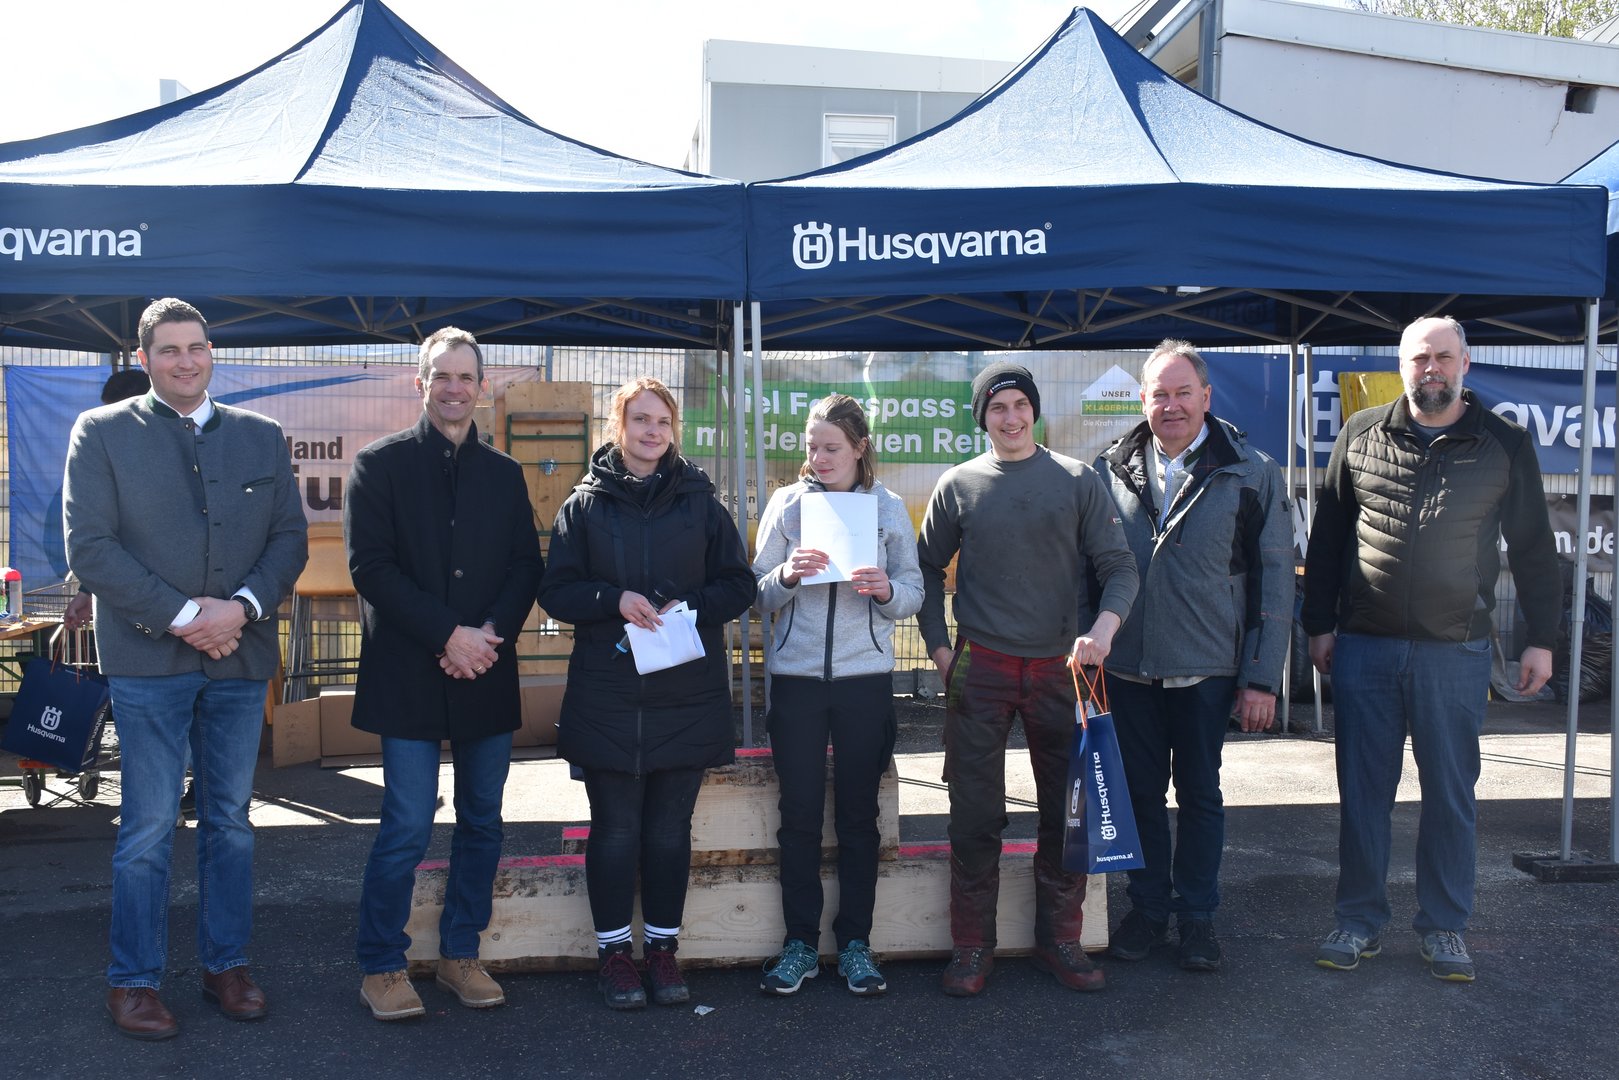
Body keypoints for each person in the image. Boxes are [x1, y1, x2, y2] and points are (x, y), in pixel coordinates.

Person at [63, 298, 308, 1040]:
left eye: (196, 347)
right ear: (144, 359)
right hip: (147, 662)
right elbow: (90, 547)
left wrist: (240, 608)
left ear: (211, 353)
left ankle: (225, 966)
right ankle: (134, 981)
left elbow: (289, 539)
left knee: (230, 822)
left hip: (240, 657)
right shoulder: (101, 432)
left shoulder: (260, 436)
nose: (185, 360)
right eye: (168, 350)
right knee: (146, 825)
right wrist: (184, 617)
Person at [1303, 315, 1559, 984]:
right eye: (1419, 358)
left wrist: (1542, 640)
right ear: (1402, 365)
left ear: (1464, 364)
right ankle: (1357, 921)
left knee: (1449, 795)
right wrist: (1318, 623)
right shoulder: (1360, 434)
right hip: (1366, 647)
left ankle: (1444, 926)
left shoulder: (1503, 443)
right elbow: (1328, 537)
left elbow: (1533, 548)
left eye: (1443, 357)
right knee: (1364, 795)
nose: (1431, 369)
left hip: (1455, 650)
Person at [916, 361, 1139, 997]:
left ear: (1034, 411)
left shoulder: (1077, 480)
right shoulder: (958, 484)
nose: (1010, 418)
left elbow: (1120, 567)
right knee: (973, 813)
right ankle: (971, 947)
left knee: (1069, 810)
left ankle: (1060, 940)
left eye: (1019, 405)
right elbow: (925, 569)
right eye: (997, 407)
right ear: (982, 418)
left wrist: (1103, 632)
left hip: (1062, 669)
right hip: (979, 665)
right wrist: (939, 649)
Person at [538, 376, 756, 1010]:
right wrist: (613, 600)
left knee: (667, 831)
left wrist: (690, 610)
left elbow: (738, 584)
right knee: (613, 830)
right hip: (607, 694)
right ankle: (614, 957)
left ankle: (662, 951)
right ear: (619, 426)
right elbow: (556, 591)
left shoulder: (701, 502)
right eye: (640, 419)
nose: (652, 431)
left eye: (662, 421)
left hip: (685, 692)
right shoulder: (583, 505)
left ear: (673, 429)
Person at [347, 327, 543, 1021]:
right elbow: (371, 568)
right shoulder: (379, 465)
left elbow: (525, 566)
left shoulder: (504, 474)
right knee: (406, 823)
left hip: (485, 666)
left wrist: (485, 638)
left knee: (482, 821)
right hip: (410, 670)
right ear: (420, 383)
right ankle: (381, 964)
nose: (454, 388)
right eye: (442, 376)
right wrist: (448, 635)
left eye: (466, 376)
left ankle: (461, 953)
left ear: (483, 387)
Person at [1094, 339, 1292, 972]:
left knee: (1201, 795)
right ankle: (1148, 910)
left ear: (1206, 397)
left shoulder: (1252, 471)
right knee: (1141, 796)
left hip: (1208, 667)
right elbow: (1090, 569)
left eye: (1184, 393)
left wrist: (1261, 678)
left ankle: (1198, 918)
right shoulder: (1107, 469)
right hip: (1128, 667)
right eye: (1160, 394)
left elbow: (1274, 581)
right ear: (1143, 400)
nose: (1172, 405)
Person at [752, 394, 924, 997]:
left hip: (863, 681)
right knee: (798, 817)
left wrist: (885, 591)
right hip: (797, 681)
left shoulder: (887, 507)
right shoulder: (786, 504)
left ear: (859, 447)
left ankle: (855, 943)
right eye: (812, 447)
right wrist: (787, 575)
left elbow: (914, 590)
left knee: (857, 817)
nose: (819, 458)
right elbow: (756, 591)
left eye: (831, 447)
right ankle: (799, 943)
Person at [62, 369, 153, 632]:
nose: (110, 424)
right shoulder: (109, 454)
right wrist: (87, 590)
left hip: (195, 608)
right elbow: (105, 537)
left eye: (114, 414)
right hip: (131, 605)